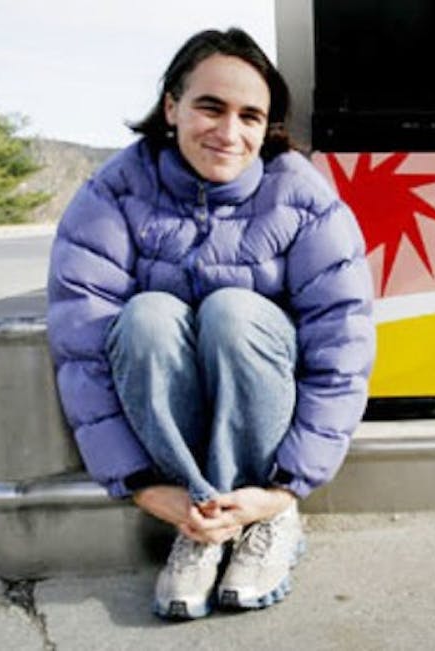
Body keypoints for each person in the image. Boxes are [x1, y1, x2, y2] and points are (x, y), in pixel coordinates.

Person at [46, 27, 375, 620]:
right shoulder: (114, 193)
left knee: (233, 310)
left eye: (251, 116)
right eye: (210, 107)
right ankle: (203, 524)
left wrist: (285, 488)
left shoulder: (301, 196)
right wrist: (143, 485)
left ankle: (264, 521)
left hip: (265, 418)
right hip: (174, 450)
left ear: (268, 126)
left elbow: (342, 343)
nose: (229, 132)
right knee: (146, 316)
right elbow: (83, 347)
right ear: (171, 106)